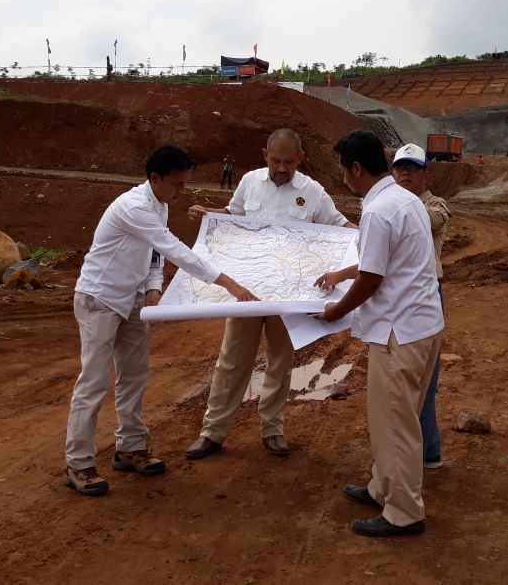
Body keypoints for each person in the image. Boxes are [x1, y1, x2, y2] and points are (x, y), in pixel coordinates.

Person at [64, 144, 258, 496]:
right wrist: (228, 282)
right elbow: (171, 248)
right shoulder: (134, 206)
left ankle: (131, 448)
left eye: (185, 184)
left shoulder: (160, 204)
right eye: (177, 184)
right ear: (155, 178)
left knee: (134, 375)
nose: (181, 191)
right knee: (93, 382)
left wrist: (153, 286)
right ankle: (78, 463)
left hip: (134, 301)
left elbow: (154, 255)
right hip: (100, 299)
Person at [184, 129, 356, 460]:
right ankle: (213, 432)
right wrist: (208, 215)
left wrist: (370, 233)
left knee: (280, 362)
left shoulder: (313, 192)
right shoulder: (249, 182)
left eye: (288, 162)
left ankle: (273, 430)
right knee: (232, 362)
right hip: (247, 292)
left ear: (300, 160)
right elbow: (233, 219)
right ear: (265, 155)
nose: (281, 168)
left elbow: (338, 226)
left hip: (290, 294)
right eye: (275, 161)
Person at [315, 130, 443, 537]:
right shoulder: (406, 201)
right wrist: (342, 275)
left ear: (356, 168)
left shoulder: (378, 210)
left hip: (397, 334)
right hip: (423, 327)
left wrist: (336, 310)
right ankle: (381, 486)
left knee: (396, 425)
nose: (343, 178)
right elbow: (387, 262)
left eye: (343, 170)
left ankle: (403, 512)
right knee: (398, 418)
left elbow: (373, 276)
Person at [390, 144, 451, 469]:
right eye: (399, 169)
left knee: (423, 380)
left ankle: (423, 453)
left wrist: (391, 201)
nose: (404, 175)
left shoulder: (435, 206)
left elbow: (425, 221)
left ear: (426, 175)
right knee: (404, 379)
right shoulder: (391, 205)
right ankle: (426, 451)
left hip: (426, 296)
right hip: (398, 296)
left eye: (412, 169)